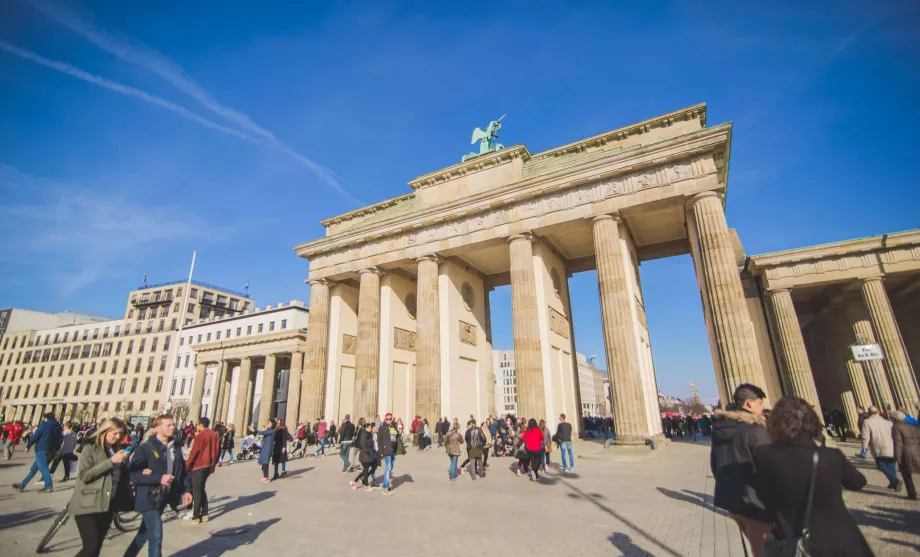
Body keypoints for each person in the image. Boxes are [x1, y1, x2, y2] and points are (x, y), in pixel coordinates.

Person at [754, 397, 873, 557]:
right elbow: (858, 482)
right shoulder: (831, 456)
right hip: (840, 539)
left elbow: (762, 496)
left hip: (793, 537)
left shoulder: (764, 455)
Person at [710, 384, 772, 557]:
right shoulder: (756, 430)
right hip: (756, 502)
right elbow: (769, 469)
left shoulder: (720, 429)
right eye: (760, 403)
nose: (762, 408)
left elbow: (715, 464)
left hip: (731, 500)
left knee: (757, 547)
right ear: (750, 403)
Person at [123, 414, 192, 557]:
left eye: (173, 424)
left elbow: (182, 472)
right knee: (156, 535)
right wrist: (158, 478)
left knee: (143, 535)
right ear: (158, 428)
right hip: (148, 496)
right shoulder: (146, 448)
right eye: (168, 425)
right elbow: (133, 475)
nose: (173, 427)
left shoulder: (175, 446)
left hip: (164, 496)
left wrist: (187, 490)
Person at [69, 418, 133, 557]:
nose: (118, 437)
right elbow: (85, 475)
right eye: (114, 433)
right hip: (88, 504)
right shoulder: (91, 447)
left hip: (107, 504)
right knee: (90, 547)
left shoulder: (115, 449)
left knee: (96, 548)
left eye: (120, 434)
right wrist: (111, 462)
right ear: (105, 430)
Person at [11, 412, 62, 493]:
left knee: (44, 468)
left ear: (46, 418)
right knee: (34, 469)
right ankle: (22, 485)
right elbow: (59, 438)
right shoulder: (57, 426)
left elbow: (36, 436)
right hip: (52, 450)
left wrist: (28, 446)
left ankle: (49, 486)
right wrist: (58, 449)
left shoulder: (44, 425)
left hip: (42, 449)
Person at [185, 417, 220, 523]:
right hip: (209, 465)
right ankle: (205, 513)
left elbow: (195, 451)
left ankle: (196, 516)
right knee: (200, 488)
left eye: (197, 424)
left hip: (199, 465)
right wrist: (214, 464)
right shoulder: (215, 435)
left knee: (196, 490)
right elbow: (218, 450)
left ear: (200, 424)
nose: (196, 426)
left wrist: (187, 465)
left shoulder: (201, 435)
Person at [861, 405, 901, 492]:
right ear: (878, 412)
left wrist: (864, 447)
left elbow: (865, 436)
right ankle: (893, 484)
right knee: (891, 466)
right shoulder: (888, 422)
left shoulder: (867, 422)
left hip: (878, 445)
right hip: (891, 446)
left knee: (881, 465)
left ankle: (895, 481)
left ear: (868, 412)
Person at [892, 410, 920, 500]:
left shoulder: (896, 427)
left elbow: (898, 443)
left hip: (906, 451)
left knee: (906, 473)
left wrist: (897, 457)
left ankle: (912, 494)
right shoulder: (912, 425)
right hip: (917, 449)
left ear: (895, 418)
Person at [351, 422, 378, 492]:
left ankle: (354, 482)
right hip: (365, 454)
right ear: (366, 428)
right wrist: (367, 451)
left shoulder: (370, 434)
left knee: (369, 469)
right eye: (369, 427)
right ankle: (366, 486)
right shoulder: (364, 434)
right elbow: (362, 444)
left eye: (371, 427)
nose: (370, 428)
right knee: (365, 470)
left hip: (370, 454)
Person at [376, 413, 397, 495]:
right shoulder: (382, 428)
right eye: (387, 419)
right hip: (386, 450)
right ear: (385, 419)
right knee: (388, 468)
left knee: (390, 467)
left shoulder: (393, 427)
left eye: (390, 419)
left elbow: (396, 438)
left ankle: (386, 484)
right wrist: (381, 451)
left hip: (392, 450)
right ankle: (385, 487)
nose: (388, 420)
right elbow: (379, 440)